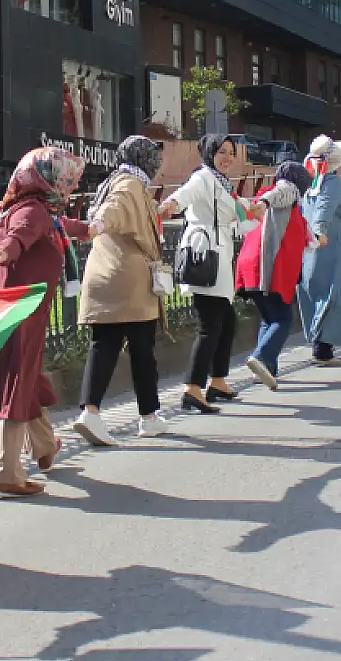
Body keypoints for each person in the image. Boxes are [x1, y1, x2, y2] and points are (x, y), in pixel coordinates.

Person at [0, 148, 91, 497]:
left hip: (12, 310)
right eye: (65, 179)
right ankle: (7, 471)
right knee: (17, 384)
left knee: (26, 378)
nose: (70, 186)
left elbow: (62, 227)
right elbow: (20, 237)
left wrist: (93, 228)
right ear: (46, 179)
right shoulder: (32, 211)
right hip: (20, 312)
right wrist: (5, 252)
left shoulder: (35, 209)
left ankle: (43, 447)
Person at [73, 136, 169, 443]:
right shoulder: (130, 184)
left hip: (103, 273)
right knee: (143, 350)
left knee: (104, 345)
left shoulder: (114, 181)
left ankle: (91, 412)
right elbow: (114, 211)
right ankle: (149, 416)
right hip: (130, 278)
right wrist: (96, 226)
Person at [161, 134, 250, 414]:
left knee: (226, 323)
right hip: (205, 258)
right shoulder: (203, 178)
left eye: (231, 153)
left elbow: (240, 215)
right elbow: (180, 197)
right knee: (210, 326)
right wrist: (166, 208)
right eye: (221, 152)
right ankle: (193, 387)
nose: (227, 157)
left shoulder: (224, 185)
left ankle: (218, 380)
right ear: (209, 153)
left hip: (219, 259)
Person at [236, 161, 310, 390]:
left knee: (269, 318)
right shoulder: (288, 191)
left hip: (252, 262)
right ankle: (261, 357)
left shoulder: (290, 209)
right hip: (268, 265)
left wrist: (316, 239)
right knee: (283, 319)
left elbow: (304, 233)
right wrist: (264, 202)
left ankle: (266, 368)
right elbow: (281, 190)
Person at [298, 135, 341, 366]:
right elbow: (325, 208)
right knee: (333, 290)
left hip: (312, 243)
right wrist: (321, 231)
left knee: (314, 288)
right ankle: (323, 349)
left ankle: (318, 344)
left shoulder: (313, 180)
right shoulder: (330, 180)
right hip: (331, 242)